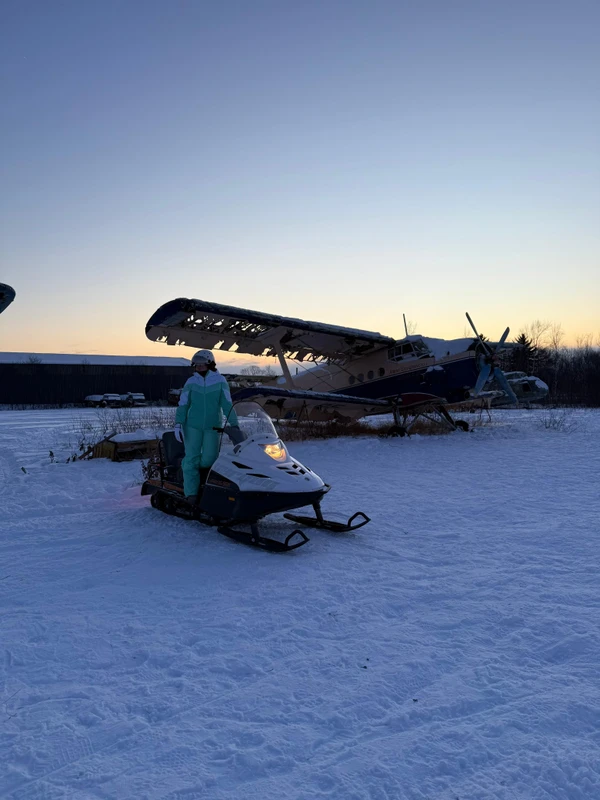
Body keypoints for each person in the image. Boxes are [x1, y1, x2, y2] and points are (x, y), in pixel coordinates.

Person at [174, 349, 238, 504]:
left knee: (210, 459)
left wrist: (234, 424)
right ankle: (191, 493)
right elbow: (183, 404)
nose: (199, 366)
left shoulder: (220, 381)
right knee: (191, 459)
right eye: (196, 364)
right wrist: (178, 423)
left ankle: (188, 470)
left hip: (213, 426)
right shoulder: (191, 382)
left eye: (202, 363)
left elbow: (227, 403)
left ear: (210, 363)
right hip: (192, 426)